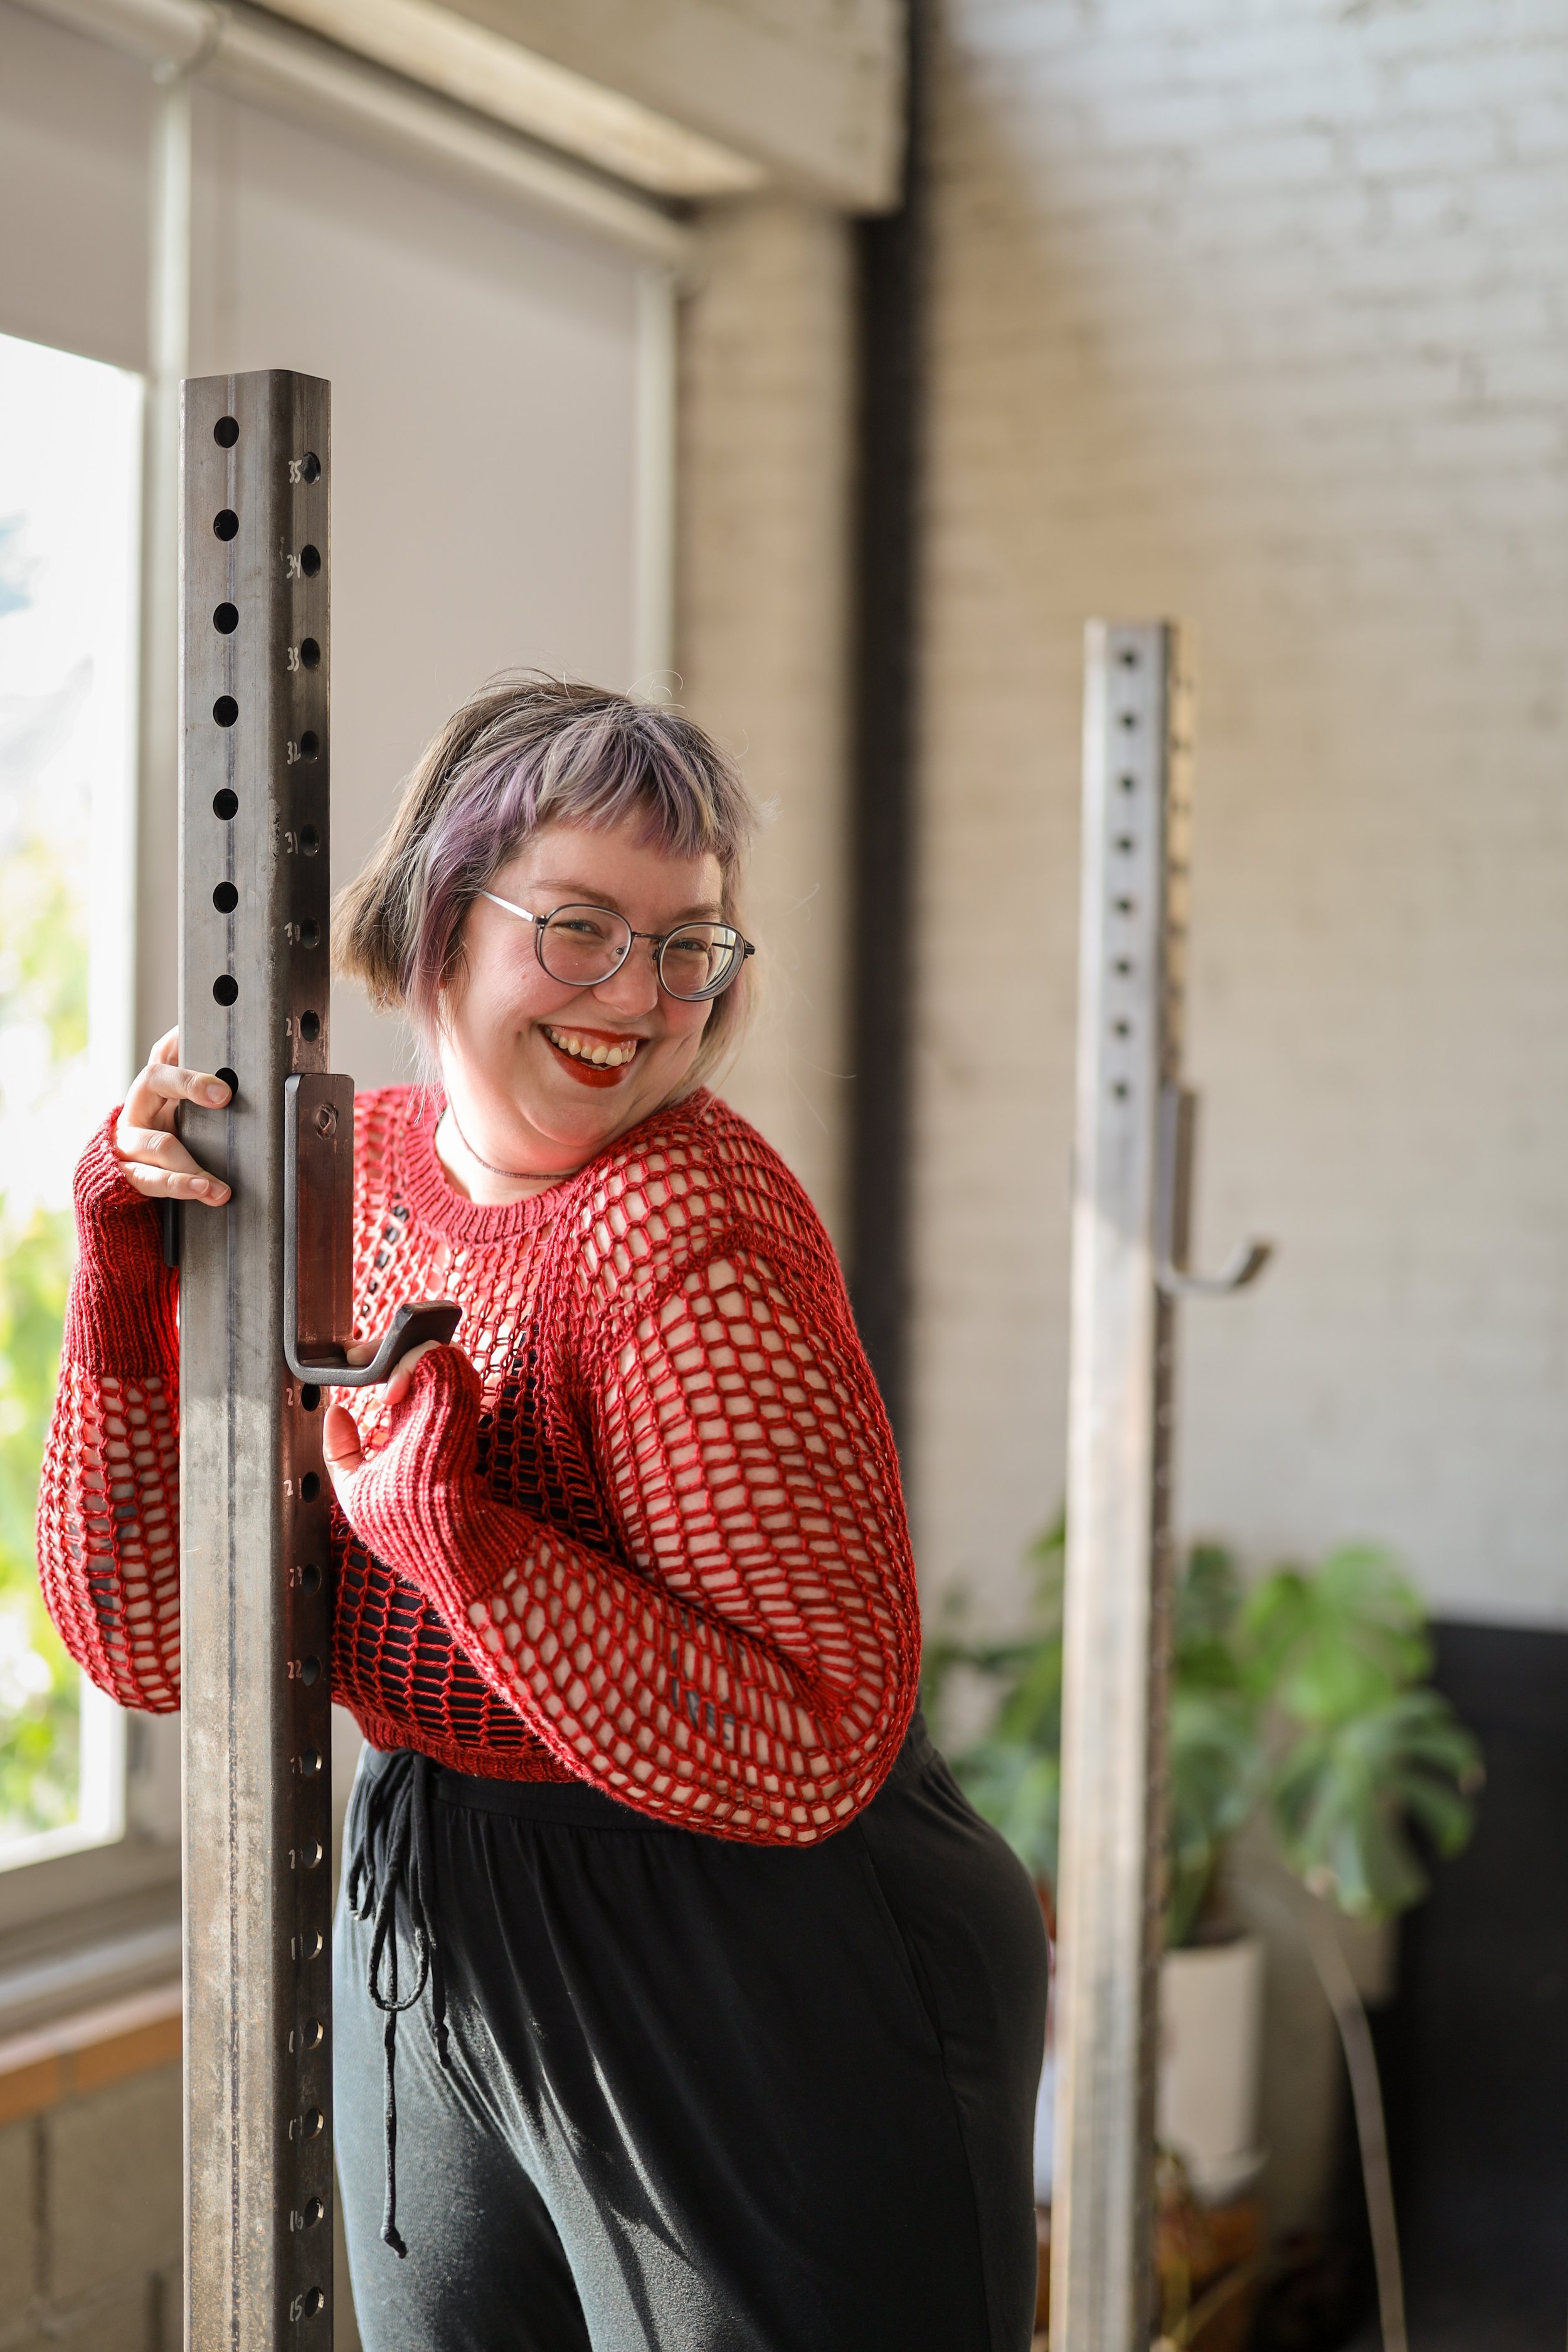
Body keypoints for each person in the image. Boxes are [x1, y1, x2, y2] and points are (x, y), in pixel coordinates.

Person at [38, 676, 1048, 2352]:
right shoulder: (342, 1177)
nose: (638, 996)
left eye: (688, 945)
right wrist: (127, 1282)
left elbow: (815, 1738)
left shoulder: (684, 1233)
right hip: (439, 1889)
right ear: (441, 919)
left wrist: (469, 1548)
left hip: (757, 1942)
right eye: (578, 928)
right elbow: (153, 1648)